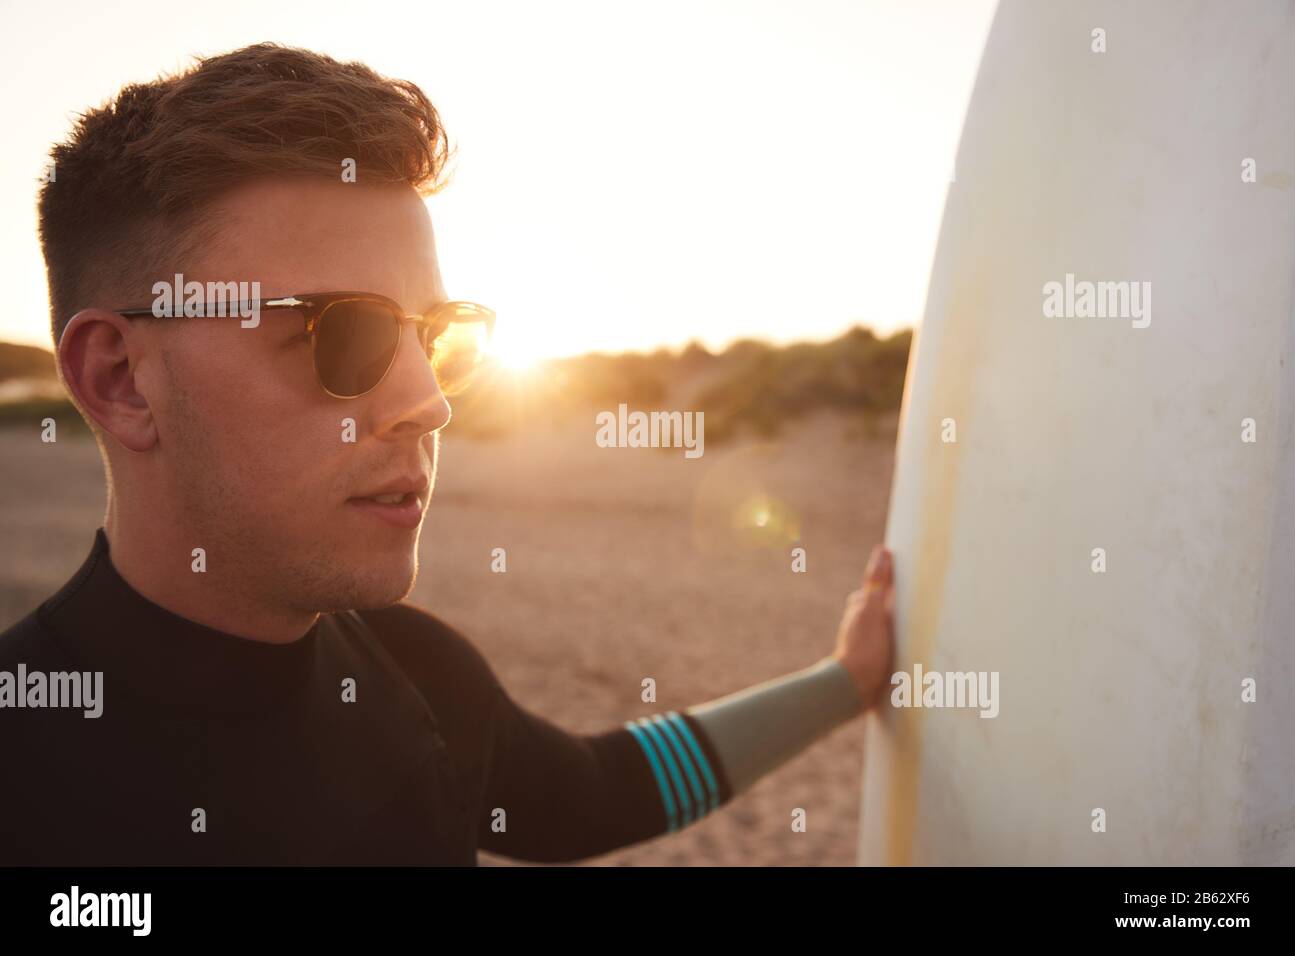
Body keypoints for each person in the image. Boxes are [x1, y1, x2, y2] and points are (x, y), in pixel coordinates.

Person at [0, 43, 895, 865]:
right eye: (341, 334)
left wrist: (842, 681)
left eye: (436, 338)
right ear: (120, 377)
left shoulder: (415, 672)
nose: (428, 405)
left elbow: (593, 793)